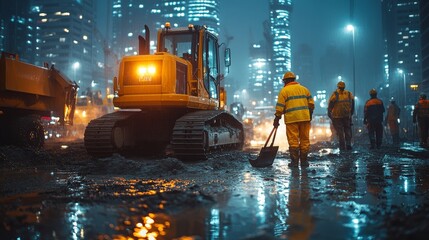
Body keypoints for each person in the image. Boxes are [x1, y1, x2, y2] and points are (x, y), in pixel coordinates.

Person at [273, 71, 315, 167]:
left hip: (292, 119)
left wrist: (277, 118)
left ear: (286, 81)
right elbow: (311, 104)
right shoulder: (304, 89)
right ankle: (304, 161)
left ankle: (295, 162)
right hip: (305, 118)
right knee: (305, 139)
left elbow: (280, 107)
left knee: (293, 140)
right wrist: (309, 115)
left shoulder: (284, 91)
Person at [327, 81, 354, 150]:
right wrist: (351, 113)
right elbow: (353, 104)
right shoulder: (349, 94)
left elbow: (331, 104)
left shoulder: (335, 94)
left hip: (337, 116)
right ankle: (348, 144)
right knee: (347, 130)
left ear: (338, 87)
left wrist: (329, 112)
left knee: (340, 132)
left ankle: (342, 147)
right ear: (344, 87)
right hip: (346, 115)